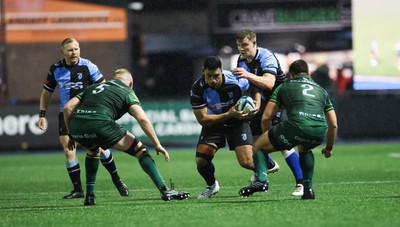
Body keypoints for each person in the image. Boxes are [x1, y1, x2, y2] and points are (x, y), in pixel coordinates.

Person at [63, 68, 190, 205]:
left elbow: (68, 108)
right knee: (141, 151)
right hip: (100, 123)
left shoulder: (93, 87)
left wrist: (71, 134)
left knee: (93, 150)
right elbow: (142, 119)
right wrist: (157, 144)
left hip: (77, 125)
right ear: (131, 83)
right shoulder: (127, 91)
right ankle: (165, 190)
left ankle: (89, 196)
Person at [36, 38, 128, 199]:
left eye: (76, 49)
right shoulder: (55, 69)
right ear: (63, 52)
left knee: (99, 148)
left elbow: (103, 87)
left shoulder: (88, 66)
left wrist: (103, 110)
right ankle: (78, 189)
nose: (74, 53)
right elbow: (47, 92)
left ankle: (117, 180)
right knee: (68, 150)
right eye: (70, 50)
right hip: (66, 114)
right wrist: (42, 114)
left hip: (87, 114)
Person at [238, 59, 338, 199]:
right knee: (304, 148)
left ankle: (261, 180)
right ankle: (308, 189)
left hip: (297, 125)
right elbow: (333, 124)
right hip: (319, 131)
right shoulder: (321, 90)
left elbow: (266, 117)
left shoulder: (284, 86)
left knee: (259, 147)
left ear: (291, 74)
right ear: (308, 73)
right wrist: (329, 148)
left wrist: (268, 136)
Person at [233, 28, 304, 195]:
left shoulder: (266, 56)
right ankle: (269, 166)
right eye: (238, 46)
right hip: (264, 101)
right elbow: (254, 86)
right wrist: (256, 102)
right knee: (257, 142)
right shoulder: (241, 60)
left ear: (254, 43)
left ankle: (302, 183)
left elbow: (269, 83)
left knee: (281, 142)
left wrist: (248, 75)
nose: (242, 49)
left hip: (280, 98)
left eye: (245, 45)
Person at [190, 56, 257, 199]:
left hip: (238, 121)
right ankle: (212, 186)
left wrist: (257, 102)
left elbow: (254, 85)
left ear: (221, 70)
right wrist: (228, 114)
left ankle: (264, 168)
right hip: (214, 123)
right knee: (201, 160)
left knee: (247, 162)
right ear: (203, 72)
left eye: (217, 76)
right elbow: (203, 119)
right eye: (209, 76)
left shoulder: (236, 79)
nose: (213, 80)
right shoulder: (198, 88)